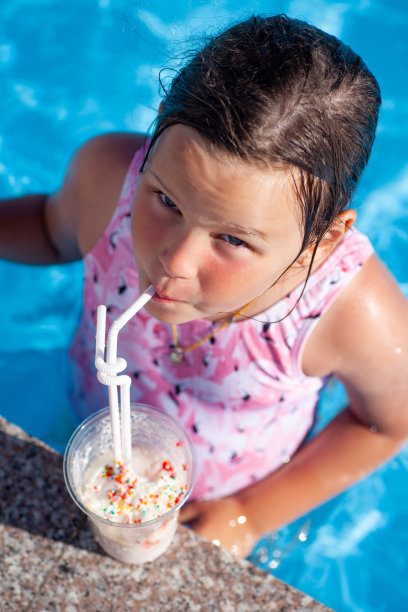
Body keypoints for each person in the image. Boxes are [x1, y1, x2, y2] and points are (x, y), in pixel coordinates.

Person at [1, 14, 408, 558]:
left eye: (233, 240)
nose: (174, 259)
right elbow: (52, 232)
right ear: (155, 140)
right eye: (166, 200)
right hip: (89, 423)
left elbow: (386, 424)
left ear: (324, 241)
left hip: (222, 495)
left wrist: (249, 514)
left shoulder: (348, 311)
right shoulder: (106, 182)